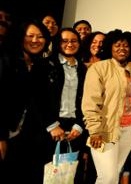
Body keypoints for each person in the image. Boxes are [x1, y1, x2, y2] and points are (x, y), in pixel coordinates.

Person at [82, 29, 131, 184]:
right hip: (106, 130)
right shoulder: (99, 68)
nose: (122, 48)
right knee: (107, 178)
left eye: (126, 46)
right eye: (117, 45)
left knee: (115, 174)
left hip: (129, 130)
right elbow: (90, 101)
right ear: (110, 47)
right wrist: (95, 130)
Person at [2, 20, 51, 183]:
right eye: (30, 36)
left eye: (40, 36)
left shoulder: (41, 66)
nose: (35, 40)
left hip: (27, 139)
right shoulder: (6, 59)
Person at [43, 27, 87, 183]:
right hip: (50, 127)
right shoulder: (47, 64)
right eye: (65, 41)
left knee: (69, 175)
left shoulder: (83, 68)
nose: (70, 44)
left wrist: (79, 126)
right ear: (58, 43)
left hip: (74, 128)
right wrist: (52, 125)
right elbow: (39, 99)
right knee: (49, 173)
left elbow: (86, 101)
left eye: (74, 41)